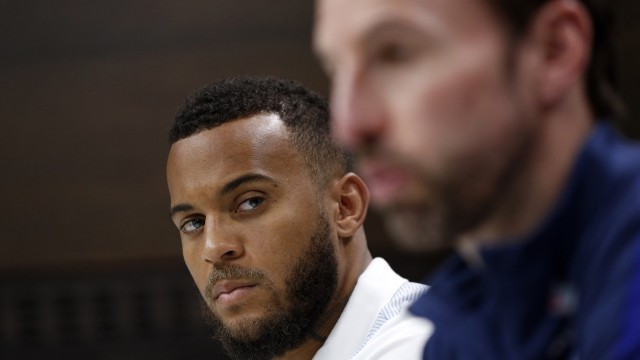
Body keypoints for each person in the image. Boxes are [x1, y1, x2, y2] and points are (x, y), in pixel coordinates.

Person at [314, 0, 640, 359]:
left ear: (554, 51)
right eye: (336, 68)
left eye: (395, 54)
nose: (348, 126)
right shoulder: (460, 326)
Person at [165, 76, 432, 359]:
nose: (214, 248)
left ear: (345, 206)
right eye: (194, 222)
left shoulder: (428, 345)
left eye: (250, 202)